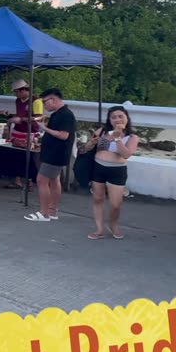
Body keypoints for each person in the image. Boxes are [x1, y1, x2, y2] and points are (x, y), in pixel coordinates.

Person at [83, 106, 140, 240]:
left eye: (120, 116)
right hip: (98, 167)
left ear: (127, 118)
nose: (117, 119)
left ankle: (113, 224)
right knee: (98, 199)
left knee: (115, 204)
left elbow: (126, 154)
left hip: (117, 170)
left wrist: (117, 137)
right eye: (113, 117)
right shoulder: (102, 131)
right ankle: (99, 229)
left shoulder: (132, 137)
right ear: (109, 120)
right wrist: (91, 143)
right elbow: (85, 149)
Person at [25, 89, 75, 223]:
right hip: (52, 152)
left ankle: (44, 212)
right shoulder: (56, 114)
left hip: (56, 154)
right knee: (54, 180)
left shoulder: (66, 115)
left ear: (54, 99)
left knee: (41, 180)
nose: (44, 105)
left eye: (45, 102)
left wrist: (43, 127)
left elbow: (63, 135)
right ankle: (52, 210)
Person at [6, 79, 42, 189]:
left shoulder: (36, 101)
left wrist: (21, 119)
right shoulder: (18, 100)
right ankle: (17, 180)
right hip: (18, 131)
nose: (16, 94)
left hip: (30, 131)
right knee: (17, 156)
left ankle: (30, 181)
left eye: (17, 92)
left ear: (23, 90)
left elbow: (39, 117)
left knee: (29, 156)